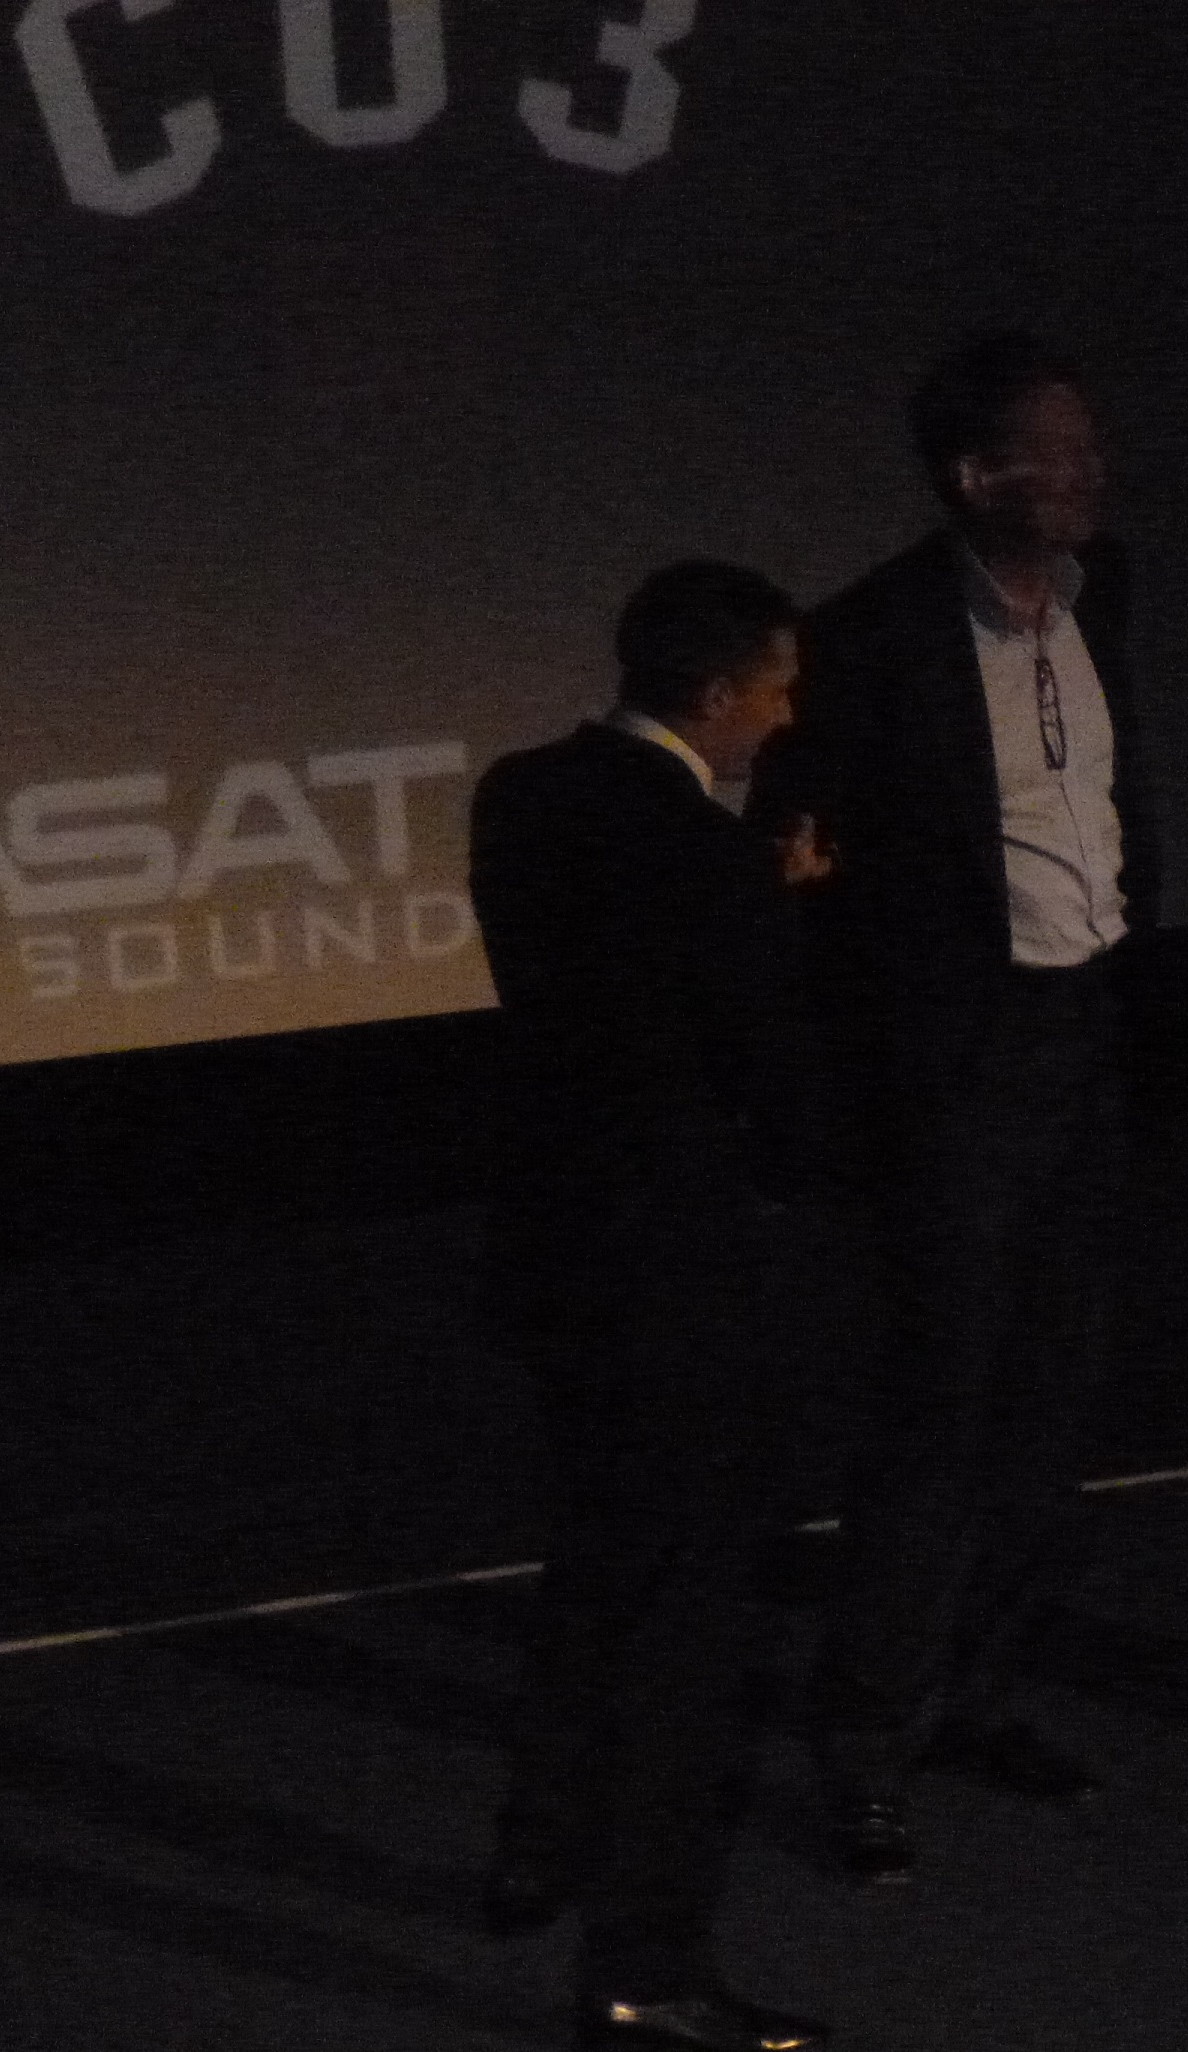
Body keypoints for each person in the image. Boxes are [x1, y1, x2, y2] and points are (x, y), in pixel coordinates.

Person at [745, 332, 1162, 1883]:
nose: (1091, 471)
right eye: (1059, 450)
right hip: (957, 1072)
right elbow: (801, 860)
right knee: (937, 1416)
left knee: (1051, 1408)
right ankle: (866, 1744)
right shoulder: (869, 641)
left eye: (1091, 443)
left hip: (1081, 1040)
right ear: (976, 475)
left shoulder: (1106, 593)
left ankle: (976, 1695)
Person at [468, 560, 834, 2051]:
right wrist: (771, 905)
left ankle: (537, 1846)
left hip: (556, 1252)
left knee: (593, 1557)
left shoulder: (518, 796)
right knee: (688, 1622)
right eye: (776, 688)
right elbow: (775, 1082)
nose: (785, 716)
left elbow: (610, 971)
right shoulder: (706, 855)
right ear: (716, 692)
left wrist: (745, 890)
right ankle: (648, 1962)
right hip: (678, 1276)